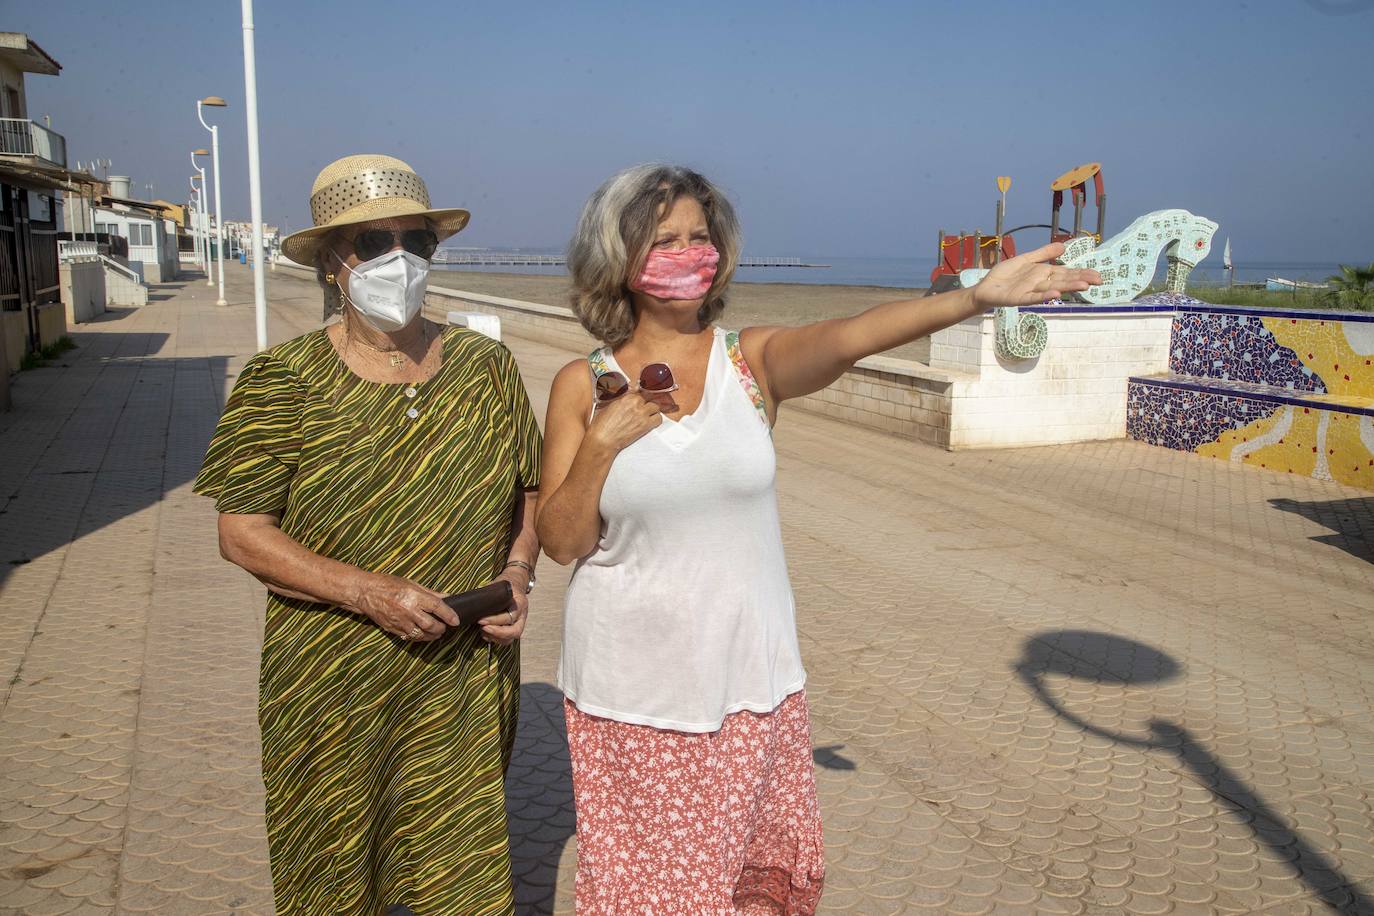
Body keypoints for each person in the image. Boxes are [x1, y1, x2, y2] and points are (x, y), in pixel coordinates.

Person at [536, 163, 1101, 913]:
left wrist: (971, 298)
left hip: (751, 680)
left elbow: (850, 335)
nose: (687, 253)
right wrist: (603, 444)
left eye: (699, 237)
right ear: (622, 260)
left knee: (747, 885)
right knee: (653, 894)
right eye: (664, 240)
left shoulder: (752, 363)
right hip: (635, 690)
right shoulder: (585, 383)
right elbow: (562, 540)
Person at [194, 154, 542, 915]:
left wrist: (518, 574)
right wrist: (367, 591)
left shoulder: (486, 367)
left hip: (460, 680)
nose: (399, 261)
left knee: (461, 873)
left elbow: (530, 490)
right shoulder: (281, 379)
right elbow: (242, 532)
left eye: (415, 243)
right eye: (374, 244)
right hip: (331, 681)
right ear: (331, 263)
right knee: (334, 873)